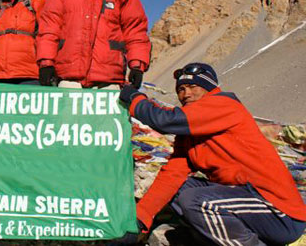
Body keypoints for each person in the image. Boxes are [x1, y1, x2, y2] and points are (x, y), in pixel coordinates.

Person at [118, 63, 306, 245]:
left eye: (193, 87)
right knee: (179, 188)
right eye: (181, 89)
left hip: (279, 212)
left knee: (195, 201)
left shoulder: (223, 105)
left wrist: (135, 98)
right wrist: (140, 220)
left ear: (208, 88)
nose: (186, 94)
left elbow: (164, 120)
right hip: (243, 196)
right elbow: (172, 175)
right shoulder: (191, 132)